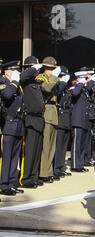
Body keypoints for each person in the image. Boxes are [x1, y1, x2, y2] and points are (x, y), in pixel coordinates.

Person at [19, 56, 45, 188]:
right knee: (29, 152)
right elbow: (22, 77)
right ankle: (26, 178)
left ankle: (34, 176)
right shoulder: (25, 80)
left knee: (36, 151)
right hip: (30, 119)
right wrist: (33, 68)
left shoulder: (35, 81)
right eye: (35, 68)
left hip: (39, 119)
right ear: (29, 68)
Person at [0, 60, 25, 195]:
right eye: (15, 71)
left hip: (18, 123)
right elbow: (7, 95)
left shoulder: (17, 85)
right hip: (9, 124)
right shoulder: (4, 83)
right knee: (7, 156)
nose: (18, 74)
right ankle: (4, 185)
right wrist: (14, 82)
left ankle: (11, 183)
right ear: (7, 73)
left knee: (15, 157)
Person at [38, 56, 62, 183]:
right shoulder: (41, 78)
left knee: (52, 145)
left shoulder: (52, 79)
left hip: (53, 113)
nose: (51, 71)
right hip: (46, 112)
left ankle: (49, 171)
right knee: (46, 145)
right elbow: (46, 89)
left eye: (52, 69)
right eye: (49, 68)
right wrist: (54, 78)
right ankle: (43, 173)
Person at [70, 69, 95, 172]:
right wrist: (80, 83)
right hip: (77, 120)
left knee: (81, 144)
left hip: (83, 120)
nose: (86, 81)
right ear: (79, 79)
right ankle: (75, 165)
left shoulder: (84, 90)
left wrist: (92, 81)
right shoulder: (75, 88)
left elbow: (89, 88)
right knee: (77, 144)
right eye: (85, 78)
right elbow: (75, 93)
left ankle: (80, 165)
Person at [55, 66, 72, 178]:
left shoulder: (65, 87)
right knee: (58, 145)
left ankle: (61, 167)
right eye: (61, 76)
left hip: (66, 119)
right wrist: (60, 81)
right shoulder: (57, 86)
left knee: (63, 146)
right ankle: (56, 168)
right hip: (59, 118)